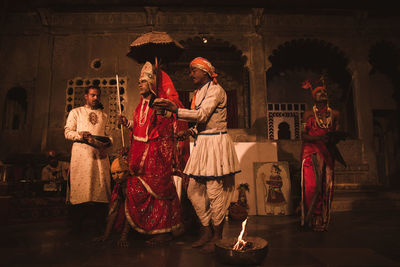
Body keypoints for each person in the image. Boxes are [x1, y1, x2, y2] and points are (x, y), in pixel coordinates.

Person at [153, 57, 241, 252]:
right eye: (190, 70)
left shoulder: (216, 90)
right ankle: (207, 229)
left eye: (194, 71)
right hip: (204, 143)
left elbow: (202, 115)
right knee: (193, 190)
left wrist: (174, 109)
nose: (190, 74)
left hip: (216, 143)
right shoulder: (199, 92)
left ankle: (217, 235)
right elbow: (201, 123)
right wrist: (176, 121)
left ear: (206, 73)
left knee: (213, 190)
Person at [118, 62, 188, 244]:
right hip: (139, 157)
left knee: (159, 191)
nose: (139, 84)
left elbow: (168, 128)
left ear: (151, 84)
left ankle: (163, 232)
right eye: (139, 81)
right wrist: (126, 123)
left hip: (156, 157)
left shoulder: (161, 104)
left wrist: (163, 114)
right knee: (136, 189)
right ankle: (145, 229)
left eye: (142, 81)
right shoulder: (138, 106)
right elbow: (139, 129)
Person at [64, 85, 112, 233]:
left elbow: (110, 137)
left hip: (100, 157)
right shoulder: (76, 112)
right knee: (81, 191)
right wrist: (80, 135)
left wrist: (107, 144)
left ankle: (100, 226)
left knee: (101, 189)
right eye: (92, 95)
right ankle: (76, 227)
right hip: (82, 157)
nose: (95, 98)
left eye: (97, 95)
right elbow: (67, 132)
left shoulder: (104, 116)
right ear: (86, 96)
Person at [300, 78, 340, 231]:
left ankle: (322, 217)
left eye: (324, 91)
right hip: (310, 152)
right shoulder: (308, 114)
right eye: (319, 92)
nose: (323, 93)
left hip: (327, 153)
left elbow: (336, 133)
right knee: (311, 186)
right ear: (313, 96)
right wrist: (318, 138)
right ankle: (312, 216)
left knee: (326, 186)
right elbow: (303, 135)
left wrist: (332, 138)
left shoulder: (335, 114)